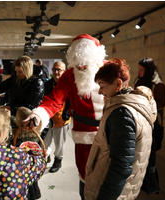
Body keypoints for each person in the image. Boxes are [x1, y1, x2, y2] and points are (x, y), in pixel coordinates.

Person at [22, 33, 107, 199]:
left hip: (110, 131)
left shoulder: (109, 70)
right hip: (83, 134)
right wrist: (39, 115)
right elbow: (54, 100)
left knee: (109, 174)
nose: (81, 67)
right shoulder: (69, 75)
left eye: (85, 63)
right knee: (85, 172)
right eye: (77, 62)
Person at [84, 58, 157, 199]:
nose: (100, 91)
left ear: (117, 84)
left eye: (102, 85)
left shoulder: (122, 114)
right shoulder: (136, 106)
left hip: (113, 192)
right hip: (125, 189)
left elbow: (121, 167)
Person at [0, 56, 45, 200]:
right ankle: (20, 186)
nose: (17, 74)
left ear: (27, 70)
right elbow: (0, 87)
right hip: (15, 120)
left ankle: (32, 192)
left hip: (28, 124)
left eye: (19, 72)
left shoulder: (38, 83)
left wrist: (11, 107)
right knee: (16, 154)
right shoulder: (16, 79)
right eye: (15, 71)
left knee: (26, 157)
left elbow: (30, 106)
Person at [134, 57, 165, 194]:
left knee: (150, 155)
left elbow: (160, 104)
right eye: (139, 69)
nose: (139, 71)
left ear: (148, 70)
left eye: (142, 69)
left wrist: (144, 106)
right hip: (139, 121)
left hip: (153, 124)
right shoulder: (139, 81)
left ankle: (151, 185)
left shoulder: (158, 85)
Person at [43, 61, 71, 173]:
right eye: (54, 69)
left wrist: (67, 113)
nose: (56, 72)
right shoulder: (47, 85)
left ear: (64, 71)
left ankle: (58, 161)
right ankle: (46, 157)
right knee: (45, 141)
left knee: (59, 144)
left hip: (61, 120)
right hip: (47, 119)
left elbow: (71, 102)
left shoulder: (68, 85)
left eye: (59, 69)